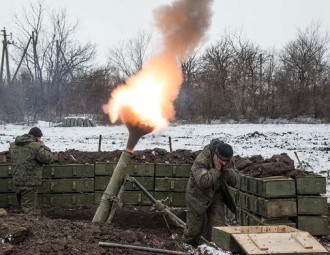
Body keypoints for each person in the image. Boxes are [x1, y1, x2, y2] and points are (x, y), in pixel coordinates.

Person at [182, 139, 238, 247]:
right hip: (197, 197)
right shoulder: (202, 160)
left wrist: (226, 170)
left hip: (216, 196)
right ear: (216, 155)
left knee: (218, 228)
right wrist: (217, 170)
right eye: (222, 161)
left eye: (227, 161)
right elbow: (203, 182)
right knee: (193, 230)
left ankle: (215, 249)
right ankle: (187, 247)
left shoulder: (227, 160)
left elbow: (235, 181)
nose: (224, 163)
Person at [9, 127, 54, 215]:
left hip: (17, 180)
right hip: (30, 183)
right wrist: (44, 146)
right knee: (29, 212)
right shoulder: (35, 146)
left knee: (23, 207)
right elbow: (48, 159)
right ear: (37, 137)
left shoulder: (13, 145)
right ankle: (26, 226)